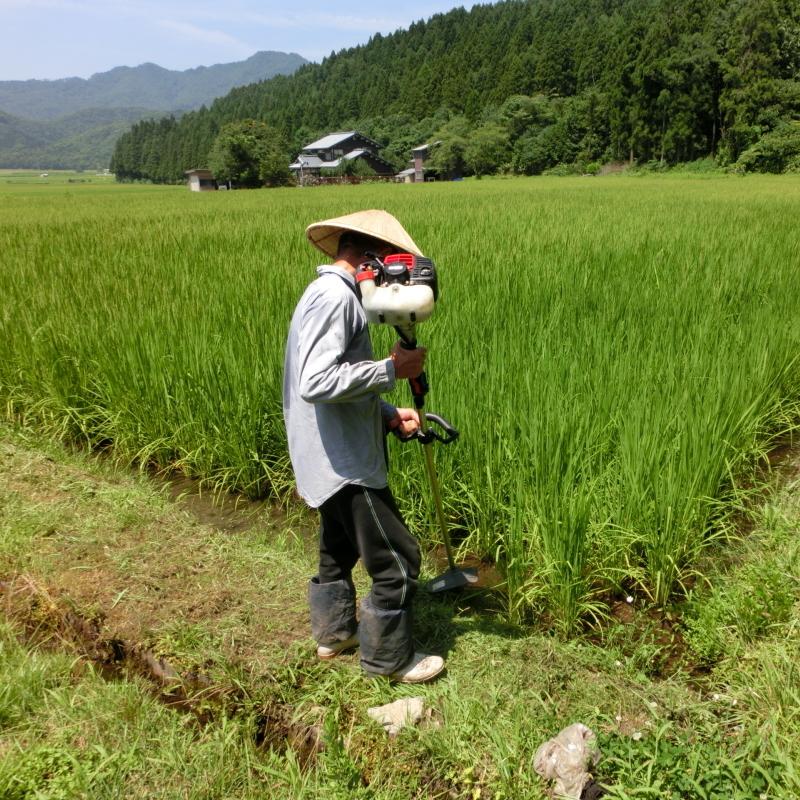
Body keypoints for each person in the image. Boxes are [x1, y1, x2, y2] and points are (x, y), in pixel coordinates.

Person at [283, 209, 445, 683]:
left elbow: (335, 387)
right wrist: (394, 370)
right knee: (398, 559)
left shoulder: (329, 293)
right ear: (372, 256)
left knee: (337, 550)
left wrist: (388, 414)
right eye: (395, 264)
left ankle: (334, 635)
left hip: (325, 452)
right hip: (346, 463)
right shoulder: (337, 298)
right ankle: (389, 660)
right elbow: (317, 381)